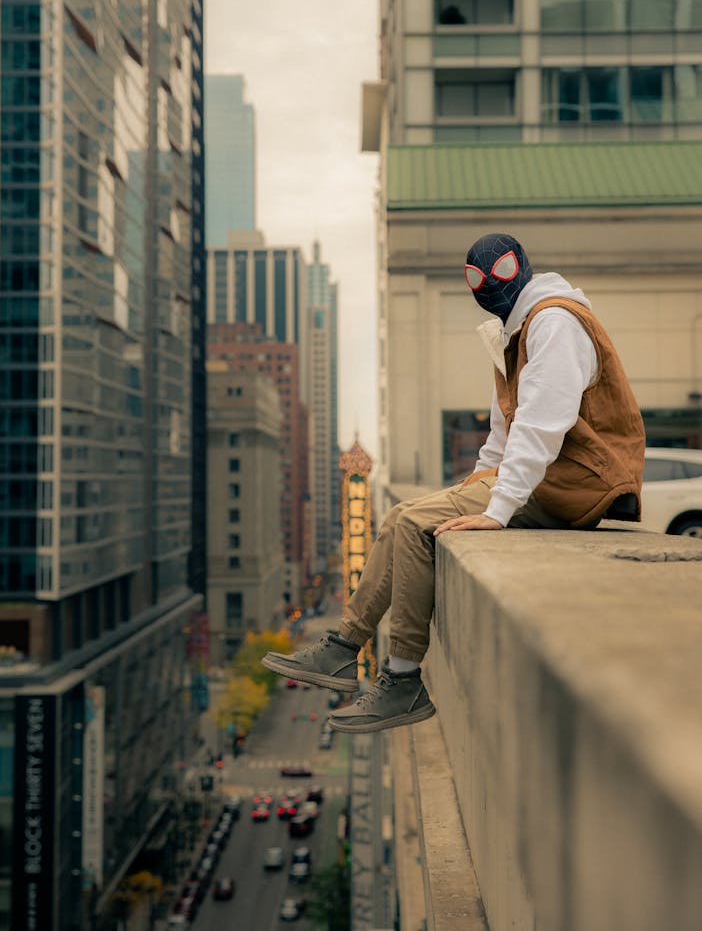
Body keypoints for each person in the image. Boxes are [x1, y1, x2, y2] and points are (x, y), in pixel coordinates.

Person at [263, 233, 646, 733]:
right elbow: (502, 433)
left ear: (523, 266)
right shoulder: (517, 333)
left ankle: (401, 678)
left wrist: (496, 508)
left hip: (578, 483)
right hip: (555, 479)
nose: (489, 283)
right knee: (403, 513)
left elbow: (541, 424)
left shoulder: (554, 322)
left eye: (501, 269)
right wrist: (472, 488)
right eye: (476, 278)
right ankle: (343, 646)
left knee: (413, 524)